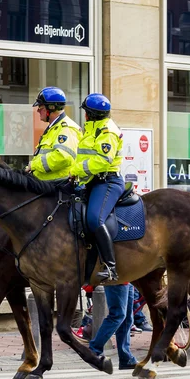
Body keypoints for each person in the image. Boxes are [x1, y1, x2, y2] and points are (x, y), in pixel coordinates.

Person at [70, 93, 124, 282]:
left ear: (90, 114)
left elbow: (102, 161)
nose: (84, 115)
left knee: (94, 219)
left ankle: (110, 266)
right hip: (91, 181)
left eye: (85, 112)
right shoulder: (92, 129)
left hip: (107, 182)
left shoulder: (107, 131)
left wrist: (76, 170)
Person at [26, 86, 82, 180]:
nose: (38, 110)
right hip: (45, 185)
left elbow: (63, 157)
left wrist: (34, 165)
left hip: (57, 187)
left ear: (51, 108)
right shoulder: (54, 127)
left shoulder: (67, 128)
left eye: (41, 107)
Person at [88, 283, 138, 370]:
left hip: (128, 277)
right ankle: (94, 350)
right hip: (117, 276)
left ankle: (125, 358)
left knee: (127, 319)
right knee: (117, 315)